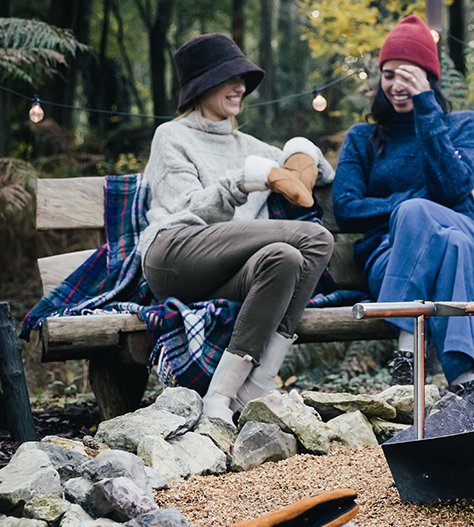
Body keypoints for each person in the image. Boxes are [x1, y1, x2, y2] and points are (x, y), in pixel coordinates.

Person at [140, 33, 336, 423]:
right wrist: (242, 181)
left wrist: (302, 149)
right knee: (314, 238)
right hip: (175, 253)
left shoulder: (250, 145)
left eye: (243, 78)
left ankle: (227, 397)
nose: (240, 87)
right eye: (228, 78)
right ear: (200, 86)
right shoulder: (171, 136)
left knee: (284, 258)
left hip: (228, 271)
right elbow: (186, 208)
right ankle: (263, 382)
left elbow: (319, 175)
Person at [331, 15, 474, 396]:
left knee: (432, 222)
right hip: (389, 256)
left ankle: (407, 355)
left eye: (408, 75)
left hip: (458, 223)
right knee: (450, 243)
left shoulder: (464, 125)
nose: (396, 85)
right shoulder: (362, 138)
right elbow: (346, 208)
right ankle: (464, 379)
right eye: (388, 75)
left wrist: (425, 110)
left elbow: (453, 187)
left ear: (429, 79)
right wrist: (410, 202)